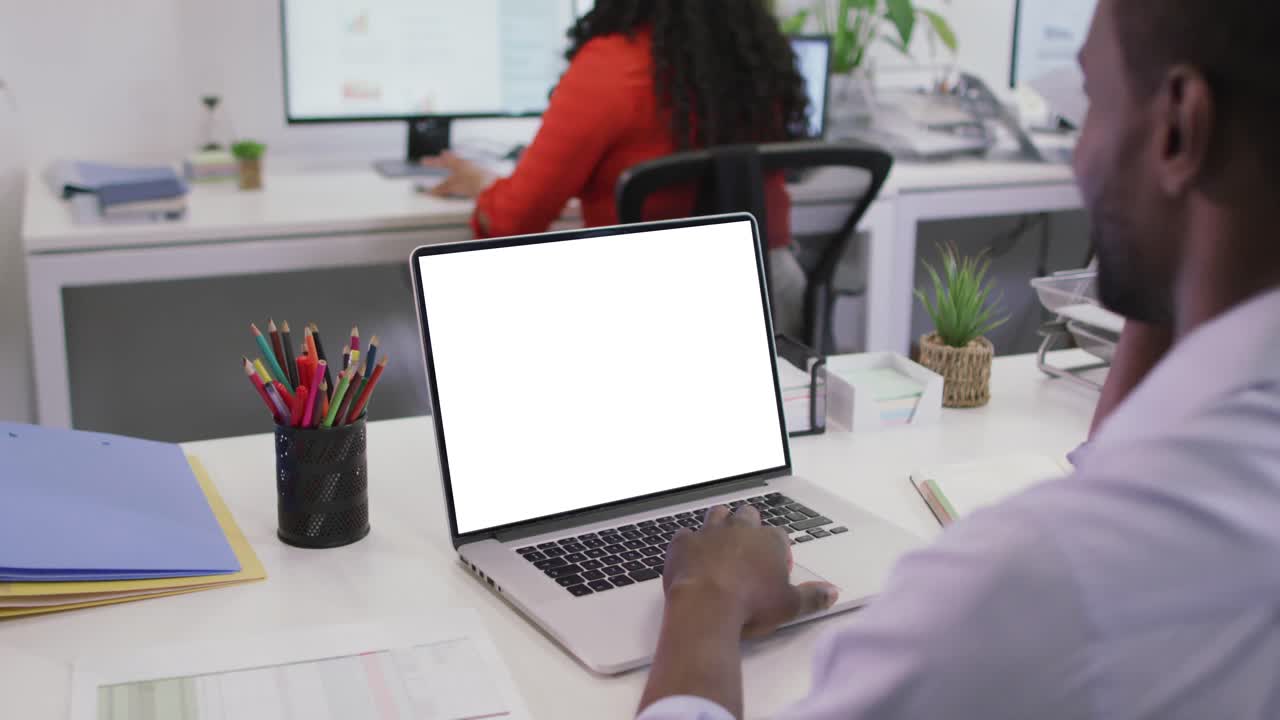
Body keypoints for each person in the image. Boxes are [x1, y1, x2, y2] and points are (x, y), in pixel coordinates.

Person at [637, 0, 1280, 717]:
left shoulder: (1023, 589)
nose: (1077, 153)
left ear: (1178, 127)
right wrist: (1178, 269)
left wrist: (705, 598)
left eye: (1093, 100)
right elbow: (1131, 471)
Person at [424, 0, 813, 337]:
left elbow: (515, 220)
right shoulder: (757, 62)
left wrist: (484, 187)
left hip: (643, 307)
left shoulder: (610, 66)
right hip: (769, 297)